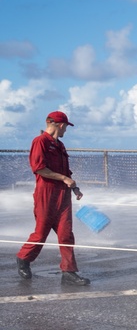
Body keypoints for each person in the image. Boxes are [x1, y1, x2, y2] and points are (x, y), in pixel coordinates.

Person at [15, 111, 90, 285]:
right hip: (46, 193)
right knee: (41, 232)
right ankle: (23, 258)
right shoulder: (40, 142)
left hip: (62, 194)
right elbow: (39, 168)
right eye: (66, 127)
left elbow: (66, 172)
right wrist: (64, 178)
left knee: (66, 234)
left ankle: (69, 272)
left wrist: (74, 188)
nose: (66, 130)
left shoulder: (60, 145)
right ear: (60, 125)